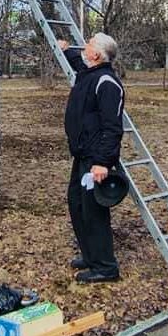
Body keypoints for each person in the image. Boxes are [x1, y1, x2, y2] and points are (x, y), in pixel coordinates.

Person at [58, 33, 124, 283]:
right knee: (77, 205)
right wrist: (66, 51)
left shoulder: (107, 83)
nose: (83, 47)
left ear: (96, 55)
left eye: (88, 45)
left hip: (95, 160)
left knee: (94, 212)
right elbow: (79, 63)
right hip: (82, 155)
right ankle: (90, 256)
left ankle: (106, 267)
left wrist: (102, 163)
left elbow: (112, 128)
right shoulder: (90, 74)